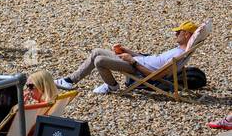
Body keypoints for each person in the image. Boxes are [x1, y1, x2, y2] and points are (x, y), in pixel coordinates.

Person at [54, 21, 202, 95]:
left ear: (187, 35)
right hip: (137, 62)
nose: (176, 35)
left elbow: (156, 76)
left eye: (179, 32)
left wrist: (132, 61)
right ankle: (69, 80)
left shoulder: (177, 55)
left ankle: (112, 86)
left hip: (137, 69)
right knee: (96, 51)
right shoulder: (179, 51)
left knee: (99, 60)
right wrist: (128, 51)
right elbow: (150, 59)